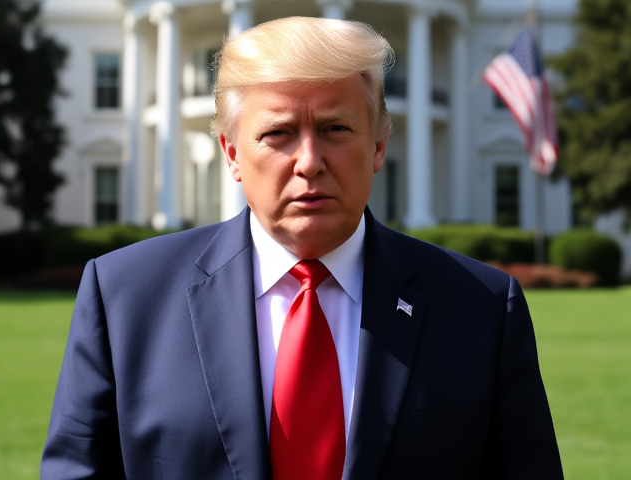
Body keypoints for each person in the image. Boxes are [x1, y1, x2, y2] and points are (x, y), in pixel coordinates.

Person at [41, 16, 563, 479]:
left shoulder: (482, 306)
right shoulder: (125, 298)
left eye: (336, 128)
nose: (309, 161)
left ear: (379, 143)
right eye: (279, 133)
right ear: (231, 153)